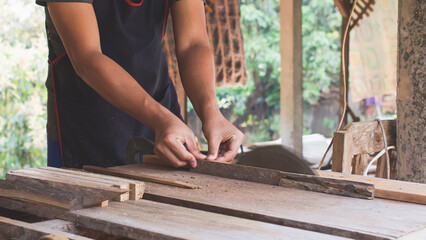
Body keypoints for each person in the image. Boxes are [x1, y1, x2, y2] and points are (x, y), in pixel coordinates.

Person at [36, 0, 244, 169]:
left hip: (160, 112)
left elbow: (193, 44)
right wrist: (160, 118)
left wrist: (212, 114)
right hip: (86, 123)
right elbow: (87, 58)